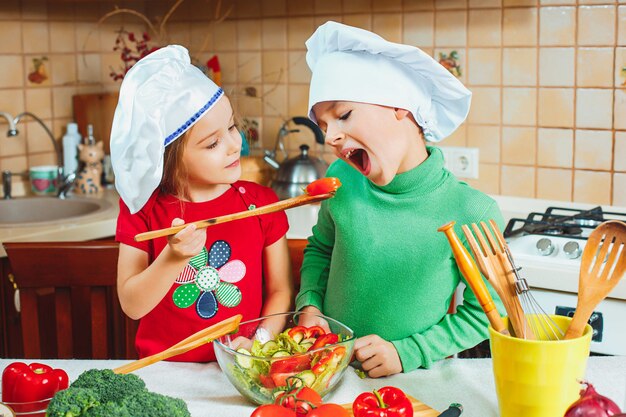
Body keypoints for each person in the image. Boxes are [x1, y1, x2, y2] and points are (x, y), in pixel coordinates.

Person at [295, 21, 505, 377]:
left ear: (400, 107)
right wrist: (310, 305)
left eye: (343, 114)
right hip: (327, 368)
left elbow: (487, 313)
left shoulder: (471, 211)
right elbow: (321, 249)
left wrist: (409, 352)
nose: (330, 137)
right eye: (324, 125)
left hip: (413, 378)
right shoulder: (341, 180)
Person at [110, 45, 293, 361]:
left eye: (232, 127)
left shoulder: (261, 204)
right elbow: (132, 305)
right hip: (164, 372)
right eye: (213, 143)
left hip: (239, 368)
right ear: (168, 159)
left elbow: (281, 291)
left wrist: (258, 342)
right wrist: (173, 257)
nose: (235, 145)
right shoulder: (142, 211)